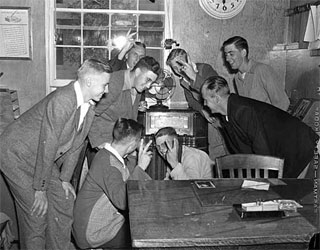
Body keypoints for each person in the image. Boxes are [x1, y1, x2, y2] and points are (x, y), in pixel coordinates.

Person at [0, 59, 111, 250]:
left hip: (38, 156)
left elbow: (76, 145)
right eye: (105, 84)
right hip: (15, 154)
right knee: (36, 213)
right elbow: (48, 143)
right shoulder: (63, 100)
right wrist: (40, 189)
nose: (107, 90)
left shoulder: (89, 107)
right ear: (90, 82)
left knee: (64, 199)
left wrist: (65, 179)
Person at [201, 75, 319, 178]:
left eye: (205, 100)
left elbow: (262, 152)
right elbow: (243, 152)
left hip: (300, 148)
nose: (204, 104)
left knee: (292, 197)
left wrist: (261, 183)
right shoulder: (227, 114)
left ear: (216, 99)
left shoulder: (243, 111)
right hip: (283, 152)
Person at [73, 118, 152, 249]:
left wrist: (136, 162)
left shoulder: (108, 155)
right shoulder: (109, 164)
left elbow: (127, 179)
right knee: (143, 234)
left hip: (99, 221)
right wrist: (141, 168)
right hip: (93, 231)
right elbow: (123, 201)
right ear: (132, 145)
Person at [89, 56, 161, 150]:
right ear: (137, 72)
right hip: (103, 143)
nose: (148, 86)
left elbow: (131, 120)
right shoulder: (114, 83)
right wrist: (99, 143)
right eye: (148, 80)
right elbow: (90, 113)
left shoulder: (137, 86)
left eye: (152, 83)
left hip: (121, 144)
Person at [166, 48, 227, 160]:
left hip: (223, 115)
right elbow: (191, 101)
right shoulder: (183, 81)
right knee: (215, 150)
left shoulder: (205, 69)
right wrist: (202, 110)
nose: (178, 70)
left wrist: (194, 76)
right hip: (210, 117)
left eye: (180, 64)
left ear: (188, 60)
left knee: (230, 149)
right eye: (174, 68)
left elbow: (215, 92)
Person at [222, 36, 290, 111]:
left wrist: (271, 122)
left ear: (243, 53)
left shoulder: (262, 70)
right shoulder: (237, 78)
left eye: (231, 54)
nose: (227, 59)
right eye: (226, 55)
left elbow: (283, 103)